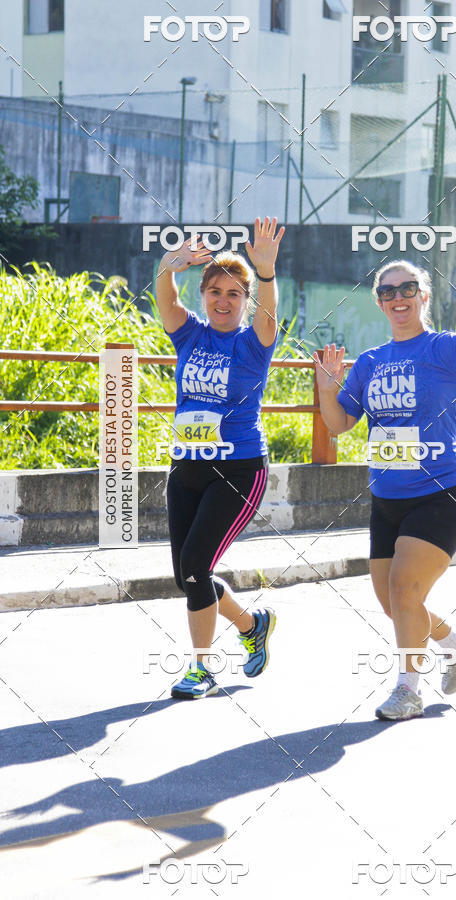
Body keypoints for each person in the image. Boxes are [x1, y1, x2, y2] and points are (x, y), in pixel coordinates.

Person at [314, 245, 456, 721]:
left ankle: (408, 689)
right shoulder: (369, 362)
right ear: (380, 302)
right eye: (388, 291)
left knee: (406, 589)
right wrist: (327, 385)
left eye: (407, 289)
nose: (398, 297)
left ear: (423, 296)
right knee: (396, 603)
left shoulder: (444, 348)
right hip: (386, 500)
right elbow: (340, 424)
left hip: (439, 494)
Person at [156, 217, 285, 700]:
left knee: (196, 561)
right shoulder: (190, 336)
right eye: (215, 292)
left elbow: (269, 315)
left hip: (238, 470)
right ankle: (253, 624)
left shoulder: (252, 344)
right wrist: (168, 264)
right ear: (205, 295)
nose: (223, 301)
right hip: (186, 466)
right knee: (189, 575)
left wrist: (266, 273)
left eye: (234, 294)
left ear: (245, 301)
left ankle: (201, 669)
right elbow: (166, 298)